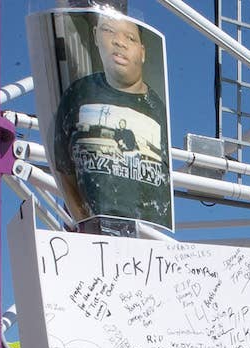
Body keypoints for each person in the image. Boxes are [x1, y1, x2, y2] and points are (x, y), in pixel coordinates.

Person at [49, 14, 171, 228]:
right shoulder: (77, 94)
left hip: (147, 247)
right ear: (96, 36)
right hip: (92, 240)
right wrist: (85, 224)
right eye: (109, 31)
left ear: (142, 52)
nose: (119, 42)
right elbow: (64, 172)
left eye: (130, 38)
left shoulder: (158, 110)